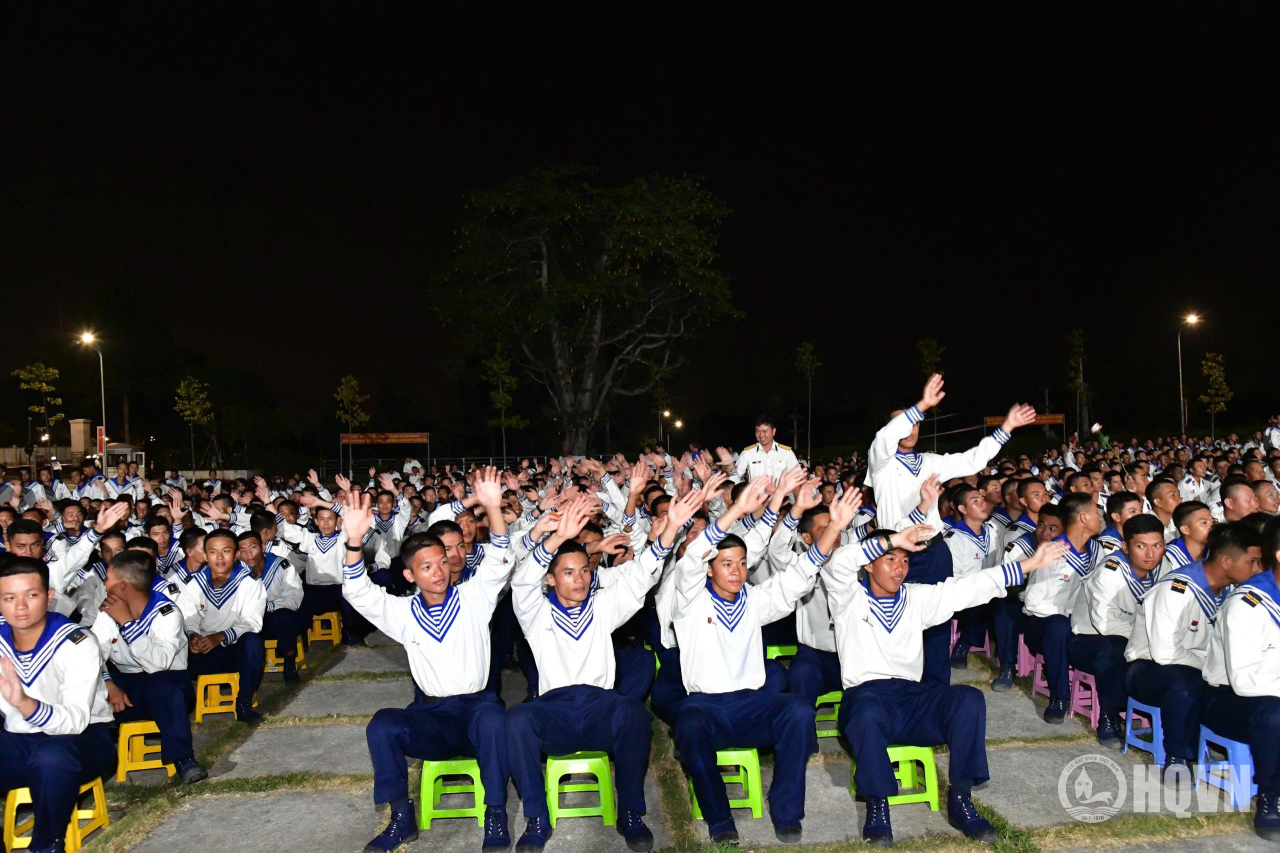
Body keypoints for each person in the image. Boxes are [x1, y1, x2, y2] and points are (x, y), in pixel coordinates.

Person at [825, 515, 1066, 844]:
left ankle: (960, 799)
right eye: (890, 559)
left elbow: (969, 588)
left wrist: (1029, 565)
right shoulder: (847, 598)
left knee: (968, 699)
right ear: (868, 564)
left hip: (911, 698)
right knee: (867, 711)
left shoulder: (915, 598)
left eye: (905, 560)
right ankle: (878, 805)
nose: (899, 568)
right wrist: (892, 539)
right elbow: (838, 564)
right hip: (865, 699)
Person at [339, 468, 515, 853]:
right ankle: (402, 817)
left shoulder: (474, 597)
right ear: (409, 574)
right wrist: (353, 539)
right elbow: (357, 591)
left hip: (476, 711)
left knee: (493, 718)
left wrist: (492, 507)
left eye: (442, 562)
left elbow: (501, 557)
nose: (438, 572)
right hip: (431, 715)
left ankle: (496, 813)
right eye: (426, 567)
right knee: (383, 724)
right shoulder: (402, 613)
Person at [670, 477, 851, 844]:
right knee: (687, 724)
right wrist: (738, 509)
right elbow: (690, 561)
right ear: (709, 569)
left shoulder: (754, 600)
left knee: (798, 711)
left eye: (742, 563)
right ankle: (720, 820)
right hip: (706, 707)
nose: (737, 571)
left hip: (751, 704)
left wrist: (833, 527)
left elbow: (800, 574)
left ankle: (786, 811)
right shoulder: (689, 601)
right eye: (726, 564)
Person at [506, 488, 679, 853]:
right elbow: (520, 582)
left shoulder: (602, 605)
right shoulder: (536, 613)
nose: (579, 579)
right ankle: (537, 818)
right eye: (568, 573)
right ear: (550, 579)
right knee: (517, 719)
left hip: (600, 707)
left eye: (585, 570)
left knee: (634, 713)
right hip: (555, 711)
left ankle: (630, 813)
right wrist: (557, 537)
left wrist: (669, 531)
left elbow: (641, 578)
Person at [0, 556, 116, 853]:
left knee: (51, 757)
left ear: (49, 596)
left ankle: (47, 844)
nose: (20, 606)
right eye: (9, 598)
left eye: (31, 595)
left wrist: (25, 703)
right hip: (20, 740)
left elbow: (75, 720)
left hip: (81, 741)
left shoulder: (77, 642)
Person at [1125, 522, 1262, 772]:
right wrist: (1213, 668)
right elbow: (1165, 654)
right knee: (1187, 683)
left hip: (1199, 668)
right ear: (1226, 561)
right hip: (1148, 670)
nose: (1258, 569)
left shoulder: (1234, 589)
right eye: (1252, 562)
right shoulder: (1176, 589)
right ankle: (1178, 757)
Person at [90, 549, 207, 783]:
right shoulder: (108, 611)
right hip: (127, 687)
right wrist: (109, 684)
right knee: (84, 685)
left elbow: (158, 663)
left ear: (123, 585)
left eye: (109, 578)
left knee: (162, 685)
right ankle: (94, 763)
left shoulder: (167, 613)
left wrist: (126, 623)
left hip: (170, 686)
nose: (104, 584)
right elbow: (91, 654)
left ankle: (184, 760)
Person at [1202, 515, 1280, 840]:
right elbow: (1245, 681)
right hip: (1229, 699)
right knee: (1275, 715)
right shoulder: (1247, 604)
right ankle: (1271, 798)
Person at [1068, 514, 1166, 747]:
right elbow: (1106, 625)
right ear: (1125, 546)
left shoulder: (1164, 568)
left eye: (1157, 546)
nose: (1150, 554)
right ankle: (1109, 715)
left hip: (1137, 637)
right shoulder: (1110, 572)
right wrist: (1149, 639)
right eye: (1141, 546)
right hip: (1089, 641)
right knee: (1114, 649)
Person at [1021, 494, 1102, 722]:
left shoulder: (1098, 551)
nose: (1100, 517)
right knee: (1059, 626)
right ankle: (1059, 696)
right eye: (1096, 513)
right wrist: (1069, 616)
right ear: (1083, 518)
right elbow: (1033, 602)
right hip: (1043, 626)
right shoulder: (1052, 552)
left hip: (1079, 626)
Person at [176, 529, 267, 724]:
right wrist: (193, 636)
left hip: (234, 650)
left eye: (226, 551)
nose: (219, 558)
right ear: (205, 555)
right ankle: (180, 704)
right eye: (212, 552)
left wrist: (221, 636)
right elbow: (188, 616)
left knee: (254, 642)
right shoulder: (194, 583)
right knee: (173, 641)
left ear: (236, 554)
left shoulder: (249, 582)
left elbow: (252, 621)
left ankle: (244, 703)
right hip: (204, 651)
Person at [237, 531, 304, 682]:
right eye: (243, 550)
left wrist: (265, 606)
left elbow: (294, 599)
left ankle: (289, 664)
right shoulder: (238, 572)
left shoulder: (281, 566)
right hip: (250, 621)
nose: (249, 554)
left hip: (275, 618)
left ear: (263, 546)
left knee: (284, 617)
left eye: (253, 547)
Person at [734, 415, 798, 483]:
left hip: (781, 490)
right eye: (758, 431)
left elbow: (797, 477)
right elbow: (735, 476)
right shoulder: (748, 453)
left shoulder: (786, 452)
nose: (761, 435)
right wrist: (731, 467)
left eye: (764, 431)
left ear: (774, 431)